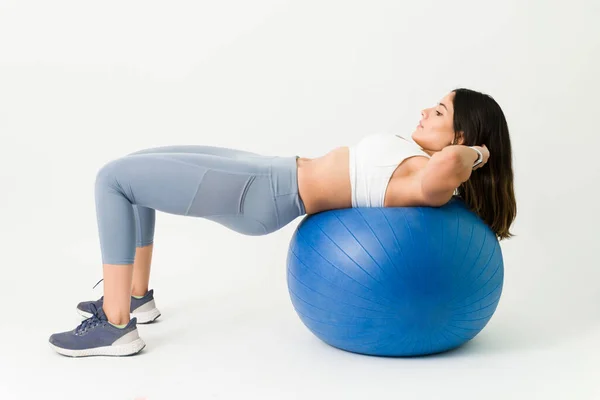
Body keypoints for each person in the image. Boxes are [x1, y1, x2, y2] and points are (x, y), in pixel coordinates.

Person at [48, 87, 516, 357]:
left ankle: (116, 326)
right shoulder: (417, 160)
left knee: (112, 179)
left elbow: (449, 167)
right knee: (133, 165)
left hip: (261, 193)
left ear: (459, 136)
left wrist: (479, 151)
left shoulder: (428, 179)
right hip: (268, 171)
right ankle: (135, 299)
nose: (423, 110)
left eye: (438, 112)